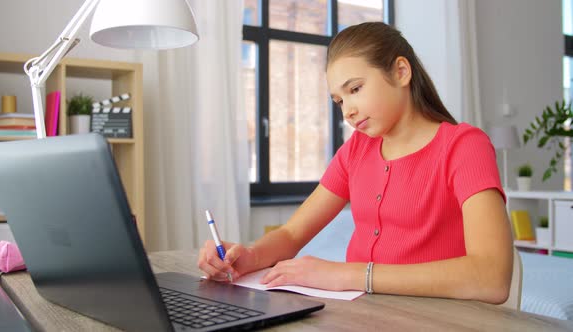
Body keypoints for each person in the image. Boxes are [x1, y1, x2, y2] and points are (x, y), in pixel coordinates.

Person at [198, 22, 513, 304]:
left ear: (401, 72)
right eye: (339, 100)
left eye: (355, 89)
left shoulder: (464, 146)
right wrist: (248, 256)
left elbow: (491, 278)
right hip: (360, 316)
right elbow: (293, 235)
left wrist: (344, 275)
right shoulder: (355, 151)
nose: (347, 110)